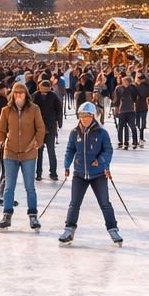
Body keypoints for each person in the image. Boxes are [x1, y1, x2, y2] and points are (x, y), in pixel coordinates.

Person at [57, 102, 120, 245]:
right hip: (79, 174)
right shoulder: (74, 133)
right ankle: (69, 230)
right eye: (82, 116)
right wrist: (67, 165)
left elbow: (108, 150)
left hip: (98, 175)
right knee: (74, 204)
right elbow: (70, 149)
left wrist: (101, 160)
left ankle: (113, 229)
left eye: (88, 116)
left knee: (105, 203)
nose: (84, 119)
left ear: (93, 117)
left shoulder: (102, 133)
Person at [0, 81, 45, 230]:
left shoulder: (34, 109)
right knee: (9, 187)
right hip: (10, 153)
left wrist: (37, 143)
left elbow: (41, 128)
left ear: (26, 94)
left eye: (21, 92)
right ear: (12, 94)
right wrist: (4, 142)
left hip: (29, 153)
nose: (18, 95)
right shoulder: (6, 110)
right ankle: (7, 215)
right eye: (16, 92)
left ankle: (33, 216)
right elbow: (0, 130)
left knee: (30, 187)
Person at [35, 78, 64, 179]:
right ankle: (38, 173)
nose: (44, 93)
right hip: (38, 128)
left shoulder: (53, 96)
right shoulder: (35, 96)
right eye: (42, 91)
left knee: (51, 150)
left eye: (46, 91)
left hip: (50, 127)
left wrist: (59, 123)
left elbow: (59, 110)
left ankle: (53, 172)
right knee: (39, 151)